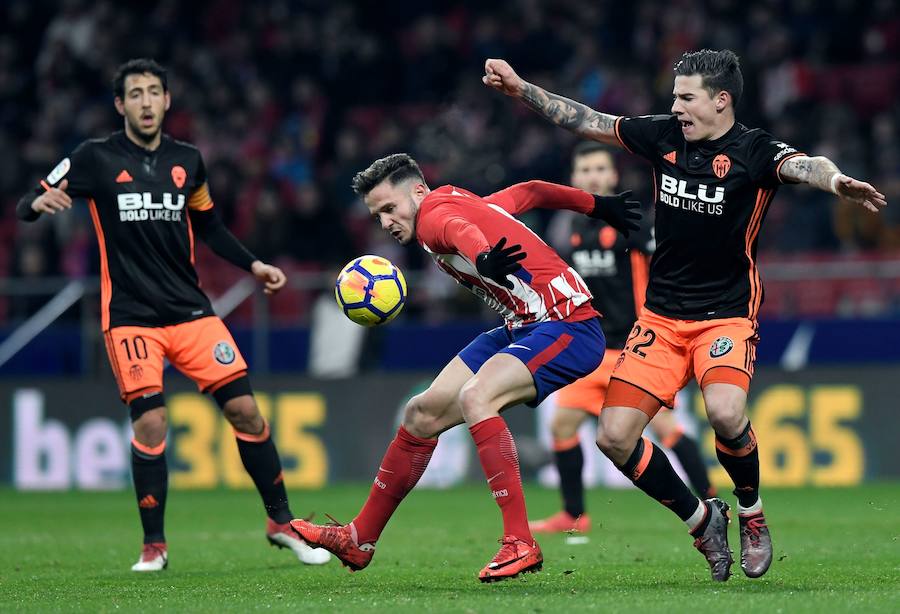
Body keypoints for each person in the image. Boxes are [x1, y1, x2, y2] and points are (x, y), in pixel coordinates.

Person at [483, 49, 886, 581]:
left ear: (721, 101)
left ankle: (751, 513)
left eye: (686, 97)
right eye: (674, 97)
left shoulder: (754, 151)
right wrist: (521, 88)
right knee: (613, 437)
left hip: (726, 315)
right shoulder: (663, 137)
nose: (675, 107)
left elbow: (806, 165)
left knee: (723, 412)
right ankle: (701, 521)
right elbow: (587, 119)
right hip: (661, 319)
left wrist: (836, 184)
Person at [15, 59, 330, 571]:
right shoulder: (92, 158)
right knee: (153, 420)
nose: (144, 101)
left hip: (191, 313)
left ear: (167, 100)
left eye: (153, 92)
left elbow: (209, 227)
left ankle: (283, 525)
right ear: (120, 105)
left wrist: (254, 264)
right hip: (132, 317)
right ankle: (154, 546)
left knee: (247, 412)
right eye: (134, 93)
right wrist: (39, 204)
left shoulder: (189, 160)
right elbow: (27, 202)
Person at [290, 153, 641, 582]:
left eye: (388, 209)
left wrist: (483, 255)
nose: (385, 223)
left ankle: (520, 542)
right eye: (376, 215)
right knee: (421, 414)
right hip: (524, 326)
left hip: (568, 325)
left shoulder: (434, 216)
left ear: (417, 191)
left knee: (477, 396)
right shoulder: (463, 200)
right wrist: (596, 205)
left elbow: (459, 232)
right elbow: (531, 191)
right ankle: (359, 538)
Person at [530, 142, 714, 535]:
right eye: (585, 171)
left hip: (635, 349)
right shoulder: (574, 227)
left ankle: (712, 500)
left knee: (667, 429)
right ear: (575, 180)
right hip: (590, 351)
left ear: (613, 176)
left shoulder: (632, 222)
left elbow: (670, 266)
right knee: (562, 426)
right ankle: (574, 516)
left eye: (600, 169)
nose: (593, 176)